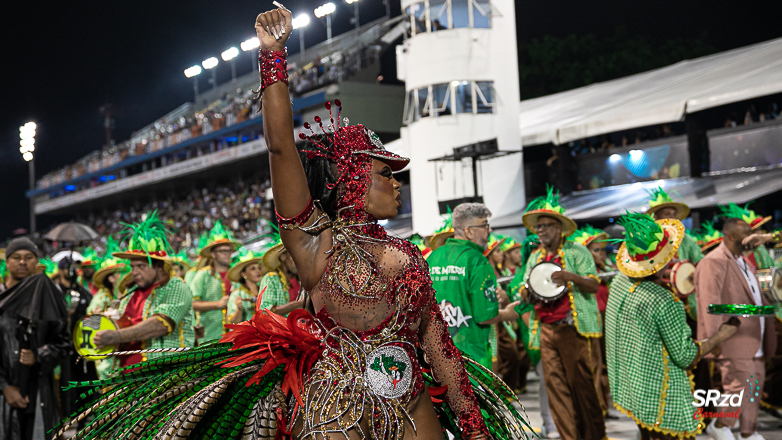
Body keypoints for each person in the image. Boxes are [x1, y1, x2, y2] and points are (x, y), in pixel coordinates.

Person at [56, 7, 531, 439]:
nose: (397, 183)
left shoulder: (409, 254)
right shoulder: (314, 243)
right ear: (352, 178)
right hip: (337, 406)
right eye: (386, 173)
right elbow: (282, 146)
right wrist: (272, 60)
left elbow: (436, 342)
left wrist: (473, 426)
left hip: (411, 402)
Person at [606, 214, 741, 440]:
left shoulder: (619, 282)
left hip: (634, 391)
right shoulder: (664, 301)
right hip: (663, 400)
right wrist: (721, 336)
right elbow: (686, 356)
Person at [519, 186, 606, 440]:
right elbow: (525, 289)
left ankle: (594, 436)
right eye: (538, 227)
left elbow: (593, 284)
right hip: (546, 330)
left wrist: (570, 277)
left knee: (582, 387)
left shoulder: (577, 252)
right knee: (555, 389)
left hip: (573, 330)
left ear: (559, 227)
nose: (541, 230)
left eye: (545, 225)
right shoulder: (535, 258)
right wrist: (527, 292)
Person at [695, 216, 778, 440]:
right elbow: (709, 305)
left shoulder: (744, 261)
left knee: (753, 390)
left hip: (755, 339)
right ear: (731, 236)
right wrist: (715, 340)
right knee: (739, 387)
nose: (752, 236)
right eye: (747, 232)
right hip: (733, 339)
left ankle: (748, 433)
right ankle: (720, 424)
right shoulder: (713, 261)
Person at [92, 212, 195, 367]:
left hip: (165, 377)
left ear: (158, 266)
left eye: (141, 266)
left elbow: (159, 325)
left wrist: (115, 336)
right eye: (132, 267)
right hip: (128, 377)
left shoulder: (176, 286)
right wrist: (103, 321)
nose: (134, 272)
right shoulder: (130, 292)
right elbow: (125, 325)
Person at [427, 204, 520, 370]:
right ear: (469, 231)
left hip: (435, 356)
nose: (489, 230)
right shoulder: (477, 260)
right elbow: (485, 316)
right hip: (471, 359)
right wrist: (507, 314)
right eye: (484, 225)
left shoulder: (433, 257)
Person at [0, 237, 69, 440]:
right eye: (17, 257)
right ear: (7, 262)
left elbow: (64, 343)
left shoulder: (51, 296)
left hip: (40, 392)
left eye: (28, 257)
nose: (23, 262)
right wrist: (4, 387)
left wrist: (38, 355)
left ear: (36, 262)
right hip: (4, 395)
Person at [570, 225, 614, 416]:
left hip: (608, 319)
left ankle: (604, 404)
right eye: (597, 250)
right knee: (595, 365)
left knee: (607, 364)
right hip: (592, 320)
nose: (602, 254)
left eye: (603, 249)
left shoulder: (607, 269)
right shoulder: (586, 275)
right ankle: (597, 408)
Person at [190, 221, 241, 343]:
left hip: (234, 336)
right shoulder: (203, 274)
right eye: (223, 251)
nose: (227, 254)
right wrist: (217, 304)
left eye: (229, 251)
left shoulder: (236, 274)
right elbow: (192, 304)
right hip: (209, 336)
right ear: (213, 254)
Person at [257, 239, 304, 317]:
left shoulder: (302, 279)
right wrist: (300, 303)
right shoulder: (271, 279)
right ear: (283, 257)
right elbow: (265, 311)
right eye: (294, 255)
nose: (299, 260)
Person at [226, 250, 263, 324]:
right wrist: (239, 309)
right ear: (243, 274)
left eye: (259, 268)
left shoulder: (264, 291)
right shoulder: (237, 294)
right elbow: (233, 321)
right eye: (253, 269)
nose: (257, 271)